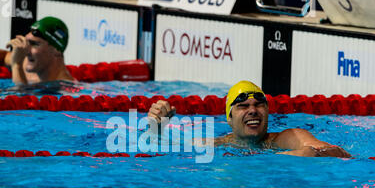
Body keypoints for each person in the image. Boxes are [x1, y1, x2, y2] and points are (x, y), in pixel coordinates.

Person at [148, 80, 351, 158]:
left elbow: (337, 152)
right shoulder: (215, 144)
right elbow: (160, 146)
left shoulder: (287, 138)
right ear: (229, 118)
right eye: (243, 106)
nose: (253, 111)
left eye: (259, 105)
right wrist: (157, 126)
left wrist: (299, 154)